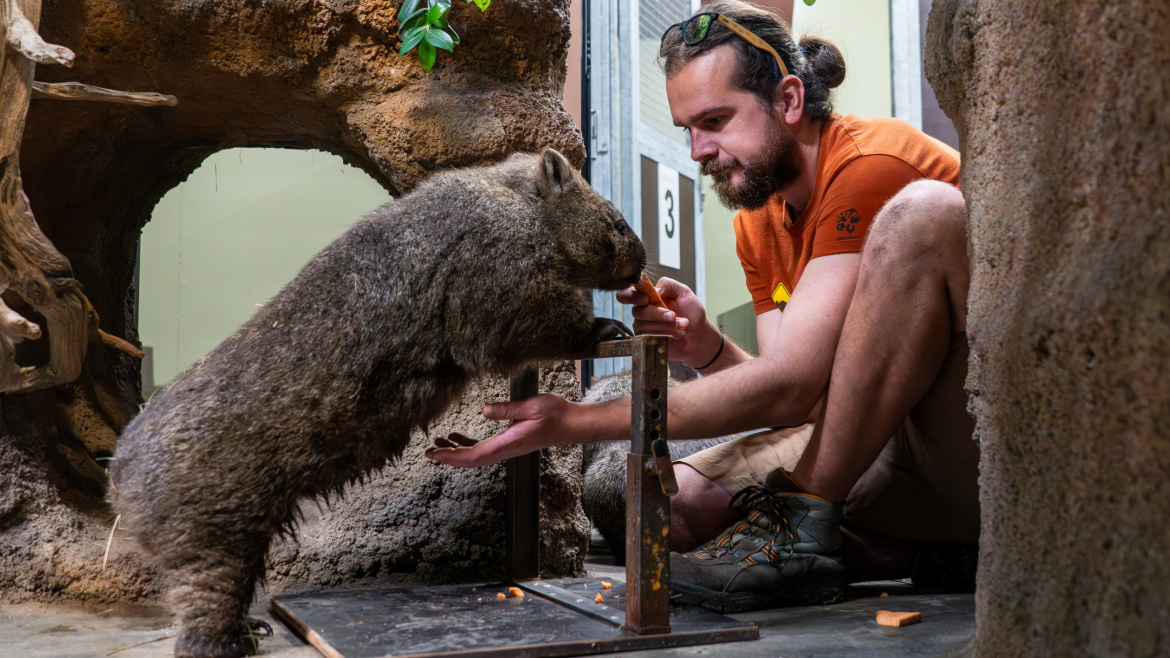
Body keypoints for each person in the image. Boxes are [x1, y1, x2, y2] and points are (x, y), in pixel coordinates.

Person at [427, 0, 978, 613]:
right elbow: (803, 397)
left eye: (714, 120)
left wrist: (572, 421)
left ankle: (804, 526)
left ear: (789, 101)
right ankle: (918, 556)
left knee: (923, 212)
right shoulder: (759, 218)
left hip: (960, 450)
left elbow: (790, 390)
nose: (697, 151)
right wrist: (708, 348)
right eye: (687, 128)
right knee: (671, 504)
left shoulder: (874, 164)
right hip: (870, 451)